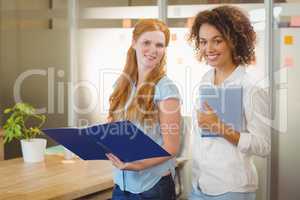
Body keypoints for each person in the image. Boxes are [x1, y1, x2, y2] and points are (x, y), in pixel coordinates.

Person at [188, 5, 271, 200]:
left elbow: (264, 146)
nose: (208, 49)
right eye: (203, 42)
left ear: (234, 41)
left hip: (231, 189)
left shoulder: (250, 87)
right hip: (199, 185)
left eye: (217, 41)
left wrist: (220, 128)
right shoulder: (205, 80)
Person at [106, 19, 181, 200]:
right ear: (134, 43)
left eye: (159, 45)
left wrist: (137, 165)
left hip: (152, 187)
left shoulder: (166, 89)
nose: (153, 50)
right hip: (122, 185)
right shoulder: (122, 84)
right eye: (146, 42)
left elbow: (172, 147)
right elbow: (114, 128)